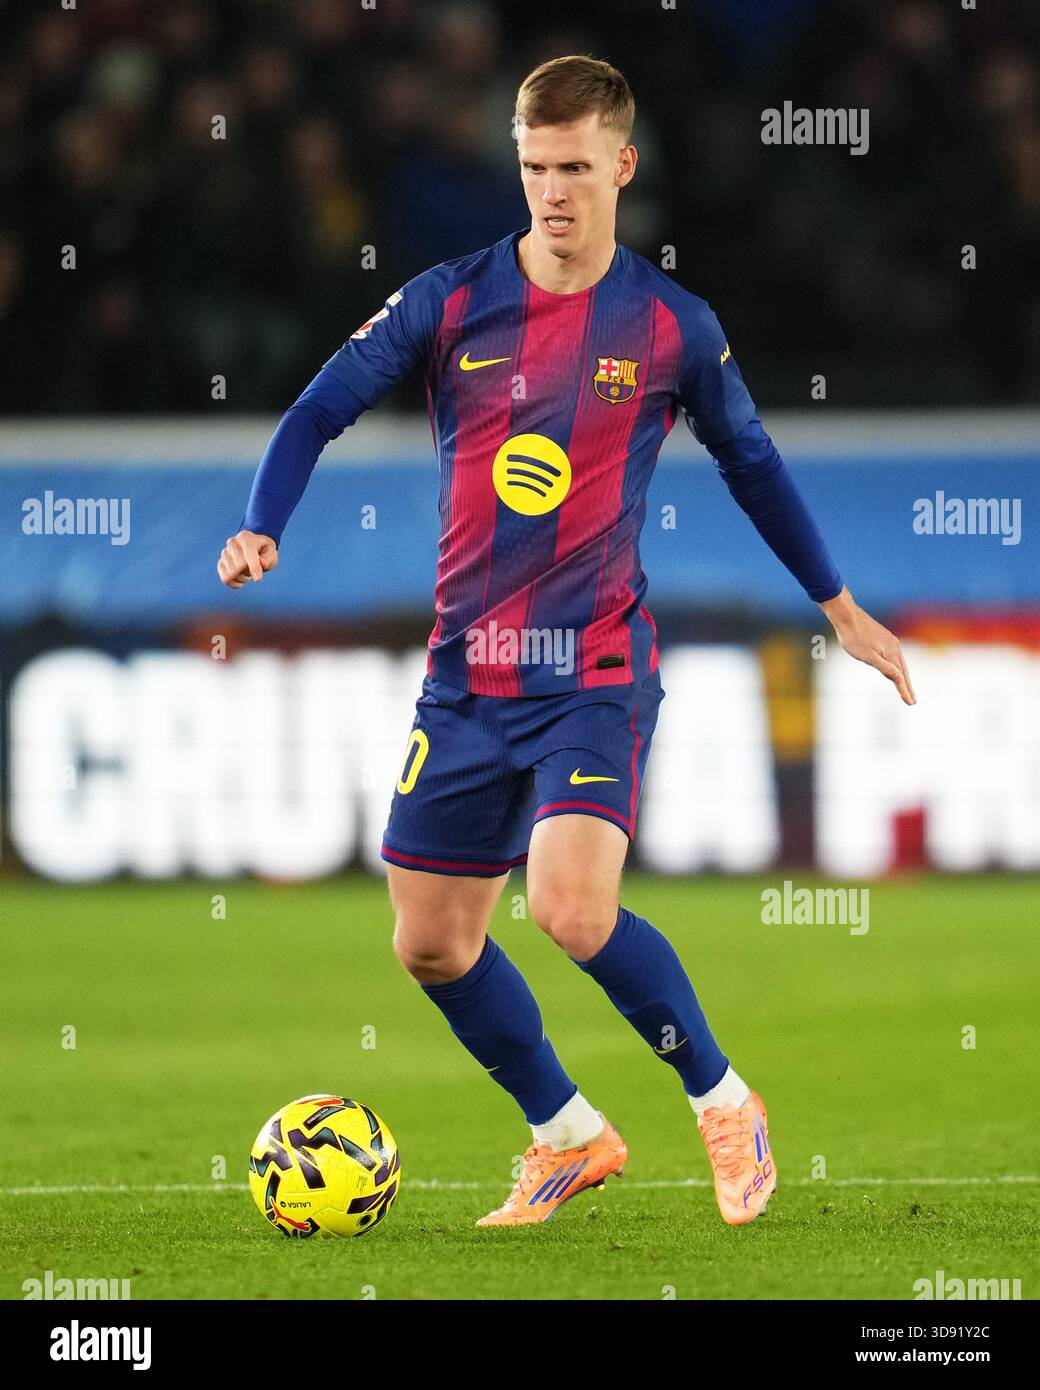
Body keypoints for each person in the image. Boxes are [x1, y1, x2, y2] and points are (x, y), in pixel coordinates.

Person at [218, 55, 915, 1228]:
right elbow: (316, 407)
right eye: (535, 166)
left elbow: (749, 460)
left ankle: (723, 1099)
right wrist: (259, 523)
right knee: (430, 943)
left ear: (621, 167)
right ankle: (567, 1132)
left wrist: (835, 602)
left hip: (594, 668)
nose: (551, 190)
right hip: (465, 677)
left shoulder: (668, 326)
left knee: (571, 910)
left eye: (575, 168)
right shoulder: (449, 300)